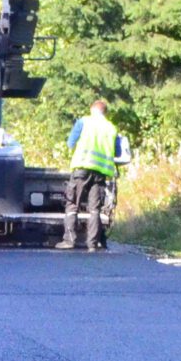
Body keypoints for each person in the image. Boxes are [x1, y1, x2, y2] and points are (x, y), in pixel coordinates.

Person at [63, 98, 129, 250]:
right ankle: (92, 244)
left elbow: (70, 143)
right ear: (105, 113)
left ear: (92, 110)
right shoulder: (111, 128)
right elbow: (118, 153)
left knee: (73, 205)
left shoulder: (84, 122)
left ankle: (69, 240)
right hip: (100, 173)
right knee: (95, 209)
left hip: (82, 169)